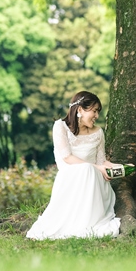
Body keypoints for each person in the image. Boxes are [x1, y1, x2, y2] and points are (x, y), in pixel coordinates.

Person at [26, 91, 121, 240]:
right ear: (80, 110)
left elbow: (101, 161)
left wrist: (120, 167)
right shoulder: (60, 126)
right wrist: (96, 168)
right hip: (70, 180)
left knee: (88, 169)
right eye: (94, 111)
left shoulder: (98, 132)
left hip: (95, 182)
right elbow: (67, 158)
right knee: (86, 168)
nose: (97, 116)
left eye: (98, 112)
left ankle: (92, 220)